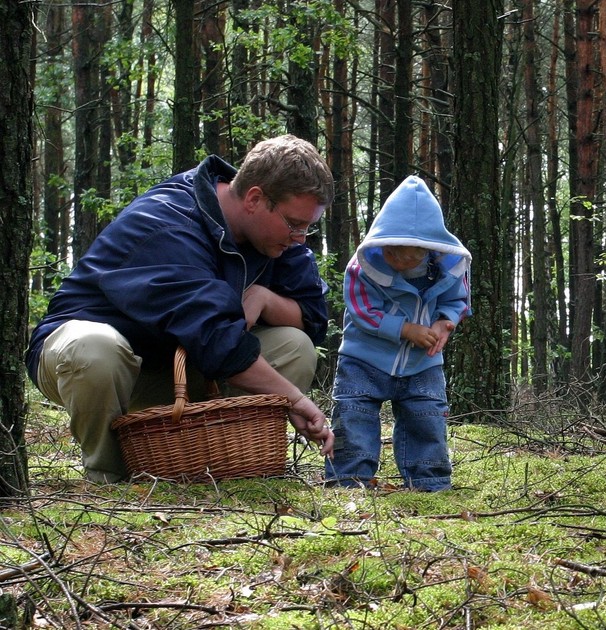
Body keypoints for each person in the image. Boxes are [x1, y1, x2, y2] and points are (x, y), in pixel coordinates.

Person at [26, 134, 336, 483]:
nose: (300, 238)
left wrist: (265, 298)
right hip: (91, 362)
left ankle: (221, 468)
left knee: (294, 346)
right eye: (295, 224)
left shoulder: (277, 233)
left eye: (309, 227)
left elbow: (312, 318)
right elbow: (215, 340)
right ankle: (111, 480)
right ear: (254, 199)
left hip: (180, 367)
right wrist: (294, 399)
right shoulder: (169, 221)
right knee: (96, 348)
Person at [324, 175, 471, 491]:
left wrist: (444, 323)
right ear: (383, 242)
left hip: (422, 363)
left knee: (426, 416)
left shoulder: (446, 270)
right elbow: (361, 310)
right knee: (354, 416)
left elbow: (456, 300)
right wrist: (405, 329)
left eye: (411, 255)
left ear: (428, 249)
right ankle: (348, 479)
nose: (401, 262)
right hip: (363, 359)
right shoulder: (363, 267)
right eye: (393, 253)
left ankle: (429, 480)